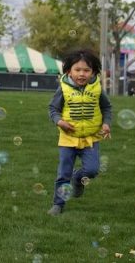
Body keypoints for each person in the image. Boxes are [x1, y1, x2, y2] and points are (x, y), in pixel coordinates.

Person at [46, 49, 112, 216]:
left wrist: (106, 124)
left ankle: (78, 179)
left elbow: (106, 107)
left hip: (91, 138)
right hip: (68, 138)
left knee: (92, 170)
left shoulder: (97, 89)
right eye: (77, 70)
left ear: (94, 72)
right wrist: (59, 121)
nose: (81, 74)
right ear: (69, 71)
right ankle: (58, 205)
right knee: (63, 174)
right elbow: (53, 109)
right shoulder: (64, 88)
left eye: (86, 70)